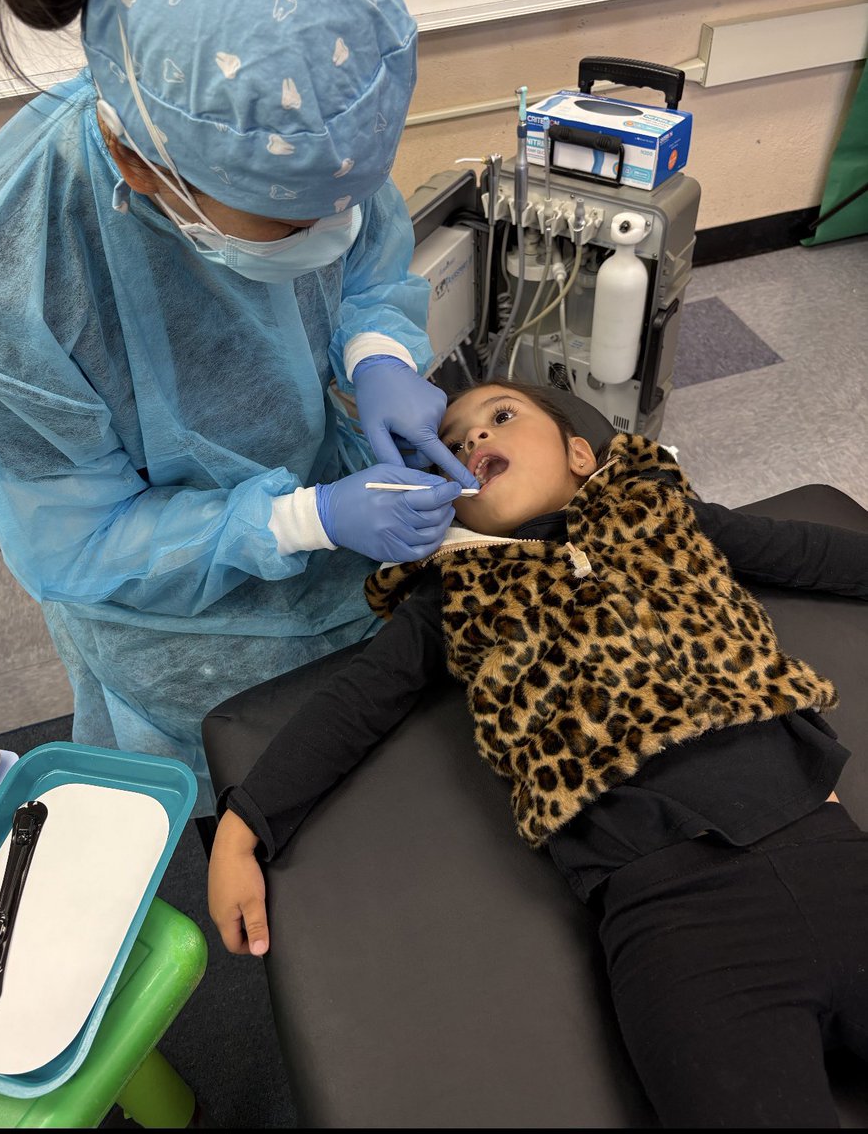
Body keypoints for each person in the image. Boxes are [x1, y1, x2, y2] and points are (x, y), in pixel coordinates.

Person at [208, 378, 868, 1128]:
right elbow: (352, 706)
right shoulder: (449, 595)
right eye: (449, 448)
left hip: (831, 858)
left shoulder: (660, 515)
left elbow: (802, 551)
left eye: (500, 417)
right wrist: (242, 827)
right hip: (678, 921)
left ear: (580, 454)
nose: (472, 443)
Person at [0, 0, 478, 814]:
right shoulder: (14, 278)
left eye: (339, 206)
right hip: (188, 637)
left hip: (357, 581)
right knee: (247, 801)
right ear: (140, 164)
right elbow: (79, 542)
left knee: (367, 769)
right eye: (285, 228)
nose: (325, 234)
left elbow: (367, 268)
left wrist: (379, 356)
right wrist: (299, 519)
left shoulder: (302, 115)